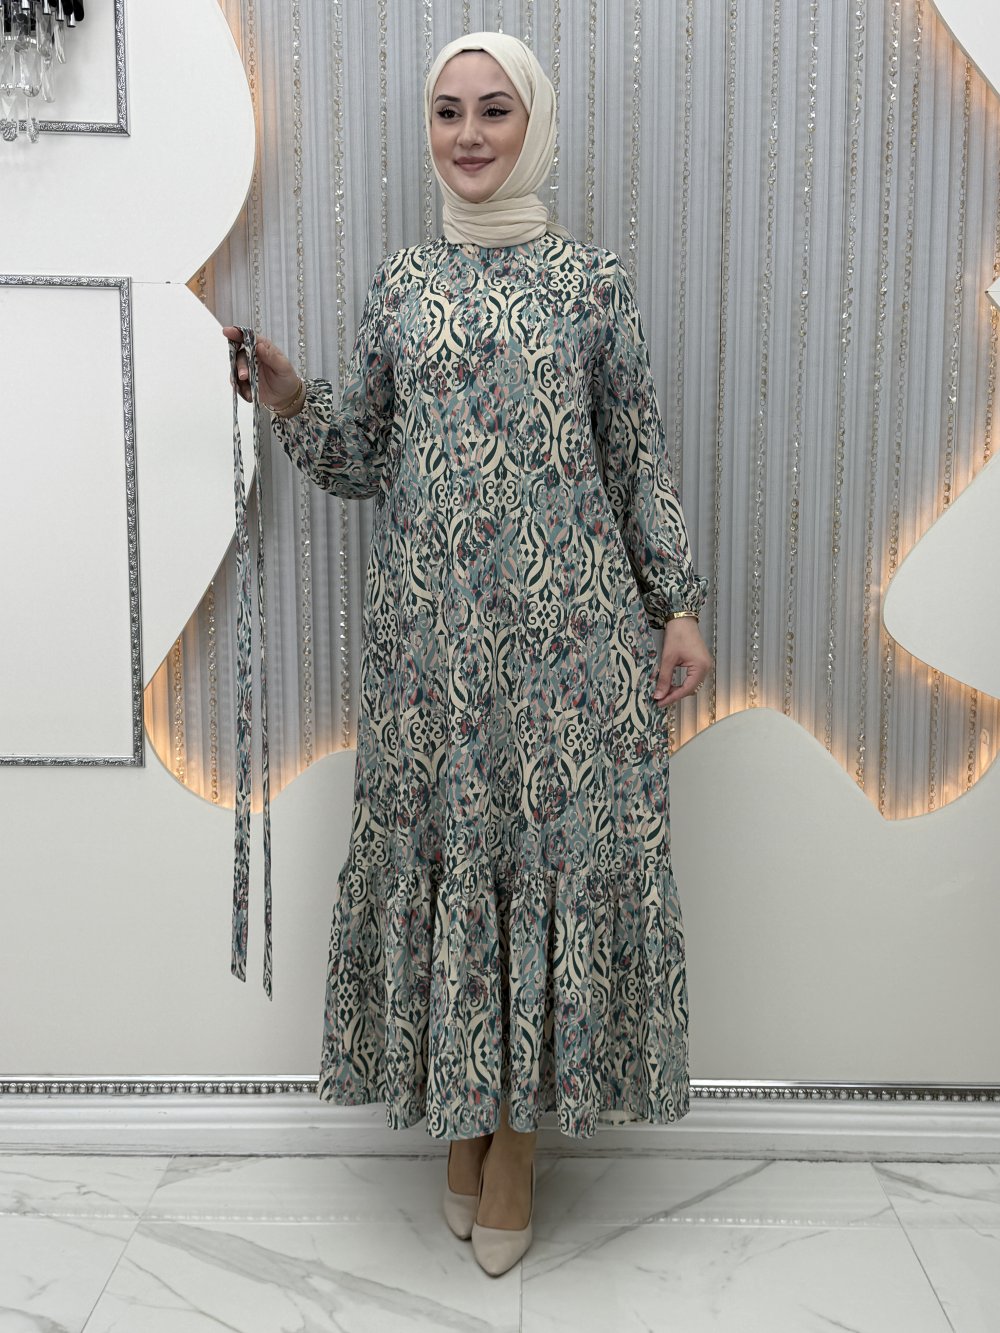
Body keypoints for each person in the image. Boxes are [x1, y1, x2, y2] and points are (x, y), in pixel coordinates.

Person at [225, 30, 712, 1278]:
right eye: (447, 112)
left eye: (494, 110)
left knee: (544, 869)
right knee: (450, 866)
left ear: (532, 123)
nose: (469, 134)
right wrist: (291, 398)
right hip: (430, 654)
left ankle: (516, 1145)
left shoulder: (592, 283)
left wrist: (678, 606)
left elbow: (635, 454)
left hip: (569, 649)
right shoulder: (401, 284)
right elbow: (363, 456)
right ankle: (464, 1109)